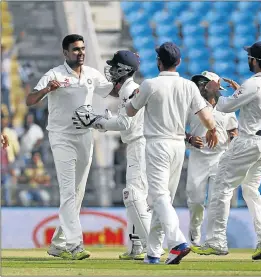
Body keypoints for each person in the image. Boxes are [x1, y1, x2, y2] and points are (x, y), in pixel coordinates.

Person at [125, 42, 218, 264]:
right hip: (178, 146)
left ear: (159, 62)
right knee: (162, 198)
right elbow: (205, 114)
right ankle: (153, 253)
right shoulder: (189, 86)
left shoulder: (149, 84)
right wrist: (213, 129)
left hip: (157, 144)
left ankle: (177, 242)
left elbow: (130, 112)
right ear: (179, 62)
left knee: (158, 197)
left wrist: (134, 96)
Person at [26, 34, 116, 260]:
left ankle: (57, 244)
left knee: (77, 194)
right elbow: (29, 100)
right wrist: (46, 90)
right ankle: (75, 245)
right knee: (67, 192)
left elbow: (111, 91)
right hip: (61, 137)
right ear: (65, 53)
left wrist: (127, 80)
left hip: (85, 136)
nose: (81, 53)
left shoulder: (91, 74)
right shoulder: (55, 74)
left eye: (82, 49)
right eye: (76, 49)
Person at [193, 41, 261, 260]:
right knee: (251, 189)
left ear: (255, 60)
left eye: (249, 57)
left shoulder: (252, 84)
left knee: (221, 187)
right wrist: (239, 92)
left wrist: (212, 91)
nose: (247, 60)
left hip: (248, 141)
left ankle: (216, 241)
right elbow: (252, 102)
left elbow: (223, 106)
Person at [72, 50, 164, 260]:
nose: (111, 70)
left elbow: (125, 123)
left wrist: (95, 121)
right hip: (137, 145)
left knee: (133, 195)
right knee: (136, 197)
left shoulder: (129, 89)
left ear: (123, 69)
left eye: (114, 66)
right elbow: (124, 120)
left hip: (140, 146)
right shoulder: (128, 89)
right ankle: (136, 247)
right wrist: (104, 120)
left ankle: (154, 247)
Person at [185, 71, 238, 252]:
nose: (201, 86)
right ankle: (195, 231)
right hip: (198, 157)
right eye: (200, 84)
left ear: (214, 86)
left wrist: (233, 144)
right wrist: (189, 138)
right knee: (196, 200)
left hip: (220, 158)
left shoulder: (226, 107)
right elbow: (176, 127)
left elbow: (234, 131)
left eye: (204, 83)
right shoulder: (192, 106)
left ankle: (215, 240)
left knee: (218, 201)